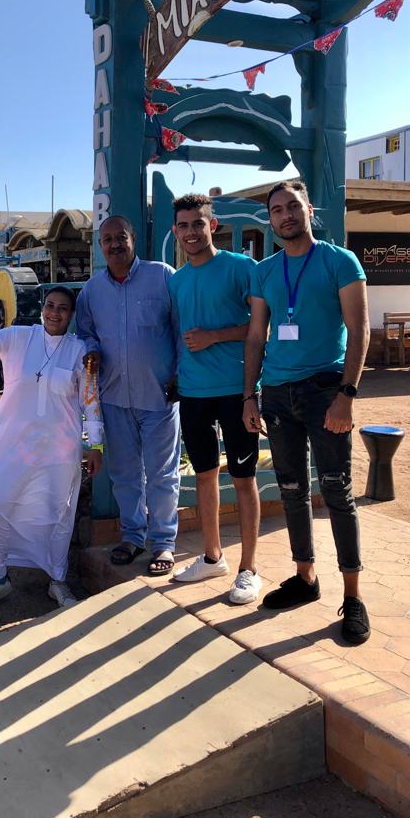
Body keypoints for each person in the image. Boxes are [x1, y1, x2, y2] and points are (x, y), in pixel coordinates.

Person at [243, 181, 371, 644]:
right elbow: (256, 337)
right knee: (293, 490)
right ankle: (305, 578)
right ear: (270, 219)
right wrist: (249, 395)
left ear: (308, 209)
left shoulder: (340, 261)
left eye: (292, 206)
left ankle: (353, 597)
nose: (285, 215)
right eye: (277, 210)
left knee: (337, 490)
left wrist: (347, 394)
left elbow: (360, 329)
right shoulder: (264, 271)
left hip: (324, 391)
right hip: (277, 393)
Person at [0, 287, 103, 610]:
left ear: (71, 315)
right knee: (0, 507)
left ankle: (57, 580)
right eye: (50, 306)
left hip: (60, 451)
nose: (54, 313)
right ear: (42, 308)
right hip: (13, 447)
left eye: (62, 308)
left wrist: (95, 444)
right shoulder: (19, 337)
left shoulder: (79, 351)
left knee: (59, 512)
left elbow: (91, 400)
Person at [169, 194, 262, 604]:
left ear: (213, 225)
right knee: (205, 475)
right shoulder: (176, 281)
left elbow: (261, 328)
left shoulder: (242, 268)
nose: (191, 232)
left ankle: (249, 569)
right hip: (192, 394)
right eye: (183, 225)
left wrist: (215, 336)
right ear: (175, 231)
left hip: (236, 392)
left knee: (244, 479)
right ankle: (212, 557)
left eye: (198, 223)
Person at [75, 215, 180, 576]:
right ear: (100, 246)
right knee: (124, 475)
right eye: (107, 240)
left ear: (133, 239)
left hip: (159, 396)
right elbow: (85, 333)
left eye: (121, 237)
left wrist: (180, 375)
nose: (115, 244)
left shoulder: (162, 276)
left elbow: (181, 328)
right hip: (114, 397)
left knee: (162, 474)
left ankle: (163, 542)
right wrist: (91, 349)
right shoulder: (91, 291)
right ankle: (133, 536)